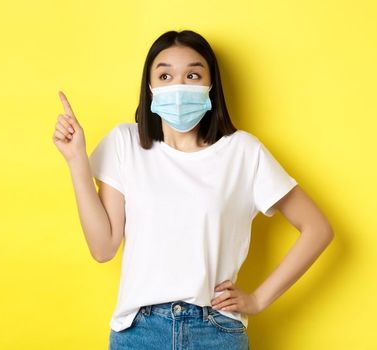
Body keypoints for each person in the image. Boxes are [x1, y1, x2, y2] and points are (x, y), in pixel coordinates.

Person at [52, 30, 334, 350]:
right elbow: (103, 249)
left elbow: (317, 228)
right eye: (165, 75)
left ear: (211, 85)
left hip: (215, 331)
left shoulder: (243, 152)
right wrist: (76, 160)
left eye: (193, 75)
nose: (179, 86)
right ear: (150, 87)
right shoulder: (124, 143)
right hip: (140, 333)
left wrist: (257, 299)